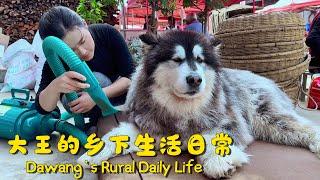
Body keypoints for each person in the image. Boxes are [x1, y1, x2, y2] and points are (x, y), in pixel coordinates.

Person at [35, 6, 134, 134]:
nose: (82, 52)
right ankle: (96, 124)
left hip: (118, 101)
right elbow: (42, 108)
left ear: (85, 24)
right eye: (71, 51)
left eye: (82, 41)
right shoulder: (55, 61)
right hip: (83, 108)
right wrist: (55, 86)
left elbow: (131, 77)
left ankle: (102, 124)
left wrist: (96, 96)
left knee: (98, 79)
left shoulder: (107, 34)